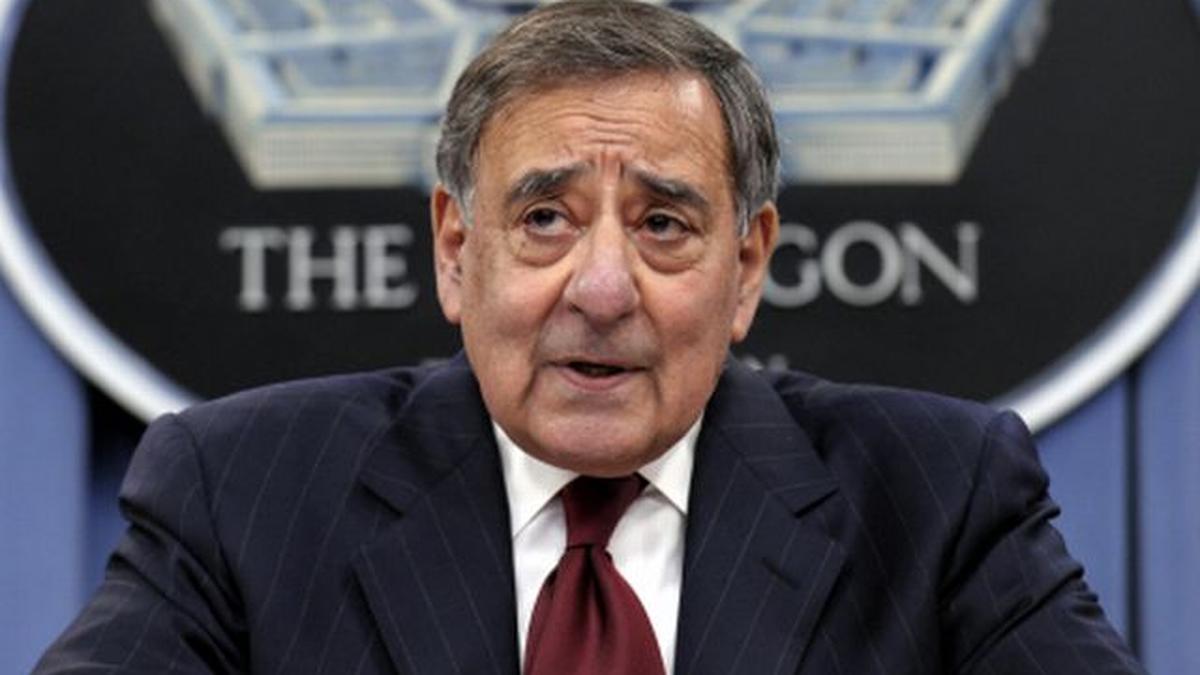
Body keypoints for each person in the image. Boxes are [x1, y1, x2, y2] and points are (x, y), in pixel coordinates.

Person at [37, 1, 1144, 673]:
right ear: (456, 250)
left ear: (747, 266)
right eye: (545, 219)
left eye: (663, 224)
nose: (603, 288)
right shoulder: (241, 493)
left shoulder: (940, 500)